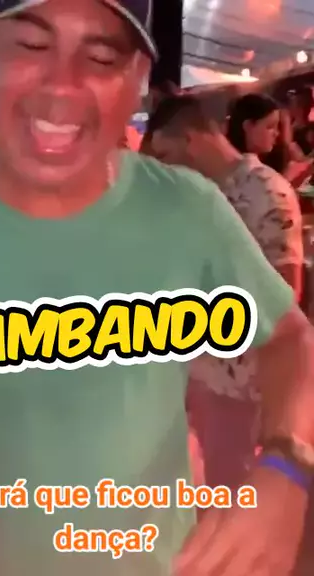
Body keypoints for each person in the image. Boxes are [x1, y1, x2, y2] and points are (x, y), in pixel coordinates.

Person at [0, 2, 314, 576]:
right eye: (33, 45)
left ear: (137, 80)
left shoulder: (186, 206)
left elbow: (289, 335)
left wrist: (287, 465)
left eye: (102, 57)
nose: (62, 83)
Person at [141, 94, 304, 490]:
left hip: (242, 385)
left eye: (165, 155)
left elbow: (287, 292)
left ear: (191, 140)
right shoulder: (201, 194)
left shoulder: (265, 190)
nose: (163, 167)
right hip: (206, 377)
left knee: (232, 495)